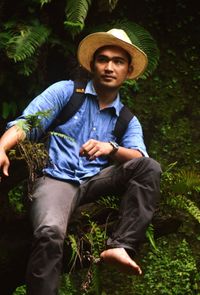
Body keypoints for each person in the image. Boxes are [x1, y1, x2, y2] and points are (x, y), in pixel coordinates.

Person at [0, 28, 162, 295]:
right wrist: (2, 146)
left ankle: (120, 245)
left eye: (118, 61)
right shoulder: (66, 92)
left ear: (128, 70)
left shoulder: (127, 120)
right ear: (92, 64)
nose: (109, 67)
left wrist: (110, 148)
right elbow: (27, 123)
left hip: (96, 183)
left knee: (150, 167)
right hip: (56, 179)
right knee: (50, 233)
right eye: (103, 59)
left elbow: (139, 158)